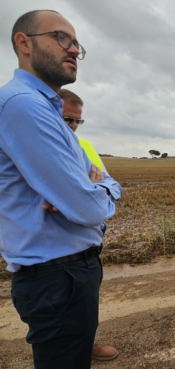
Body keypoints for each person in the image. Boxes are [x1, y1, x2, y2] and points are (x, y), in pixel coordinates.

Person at [0, 10, 122, 369]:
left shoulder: (50, 114)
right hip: (56, 277)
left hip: (67, 273)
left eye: (76, 44)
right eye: (61, 38)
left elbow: (101, 181)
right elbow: (88, 208)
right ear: (23, 43)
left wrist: (94, 190)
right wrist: (88, 194)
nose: (73, 49)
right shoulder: (23, 106)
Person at [59, 88, 118, 361]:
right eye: (67, 119)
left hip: (90, 241)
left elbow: (111, 185)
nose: (73, 126)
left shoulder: (84, 146)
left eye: (77, 121)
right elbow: (57, 197)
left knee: (87, 299)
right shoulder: (42, 145)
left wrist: (90, 191)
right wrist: (88, 190)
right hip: (56, 245)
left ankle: (89, 343)